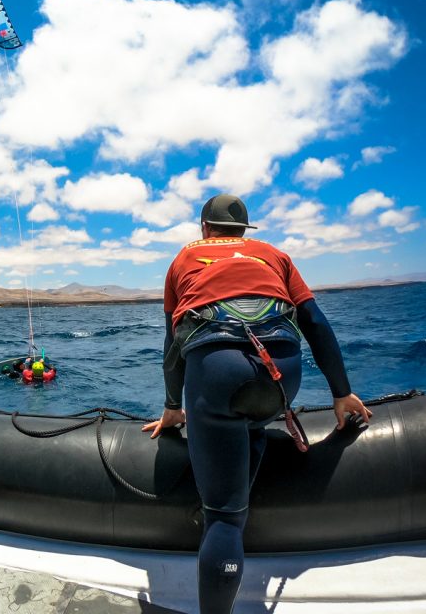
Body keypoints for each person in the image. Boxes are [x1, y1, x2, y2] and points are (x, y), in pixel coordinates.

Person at [142, 194, 372, 614]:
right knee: (250, 422)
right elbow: (316, 323)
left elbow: (173, 344)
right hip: (283, 380)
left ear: (205, 229)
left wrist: (174, 406)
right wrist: (341, 392)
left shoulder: (182, 260)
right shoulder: (274, 255)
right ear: (244, 232)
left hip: (218, 374)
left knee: (225, 520)